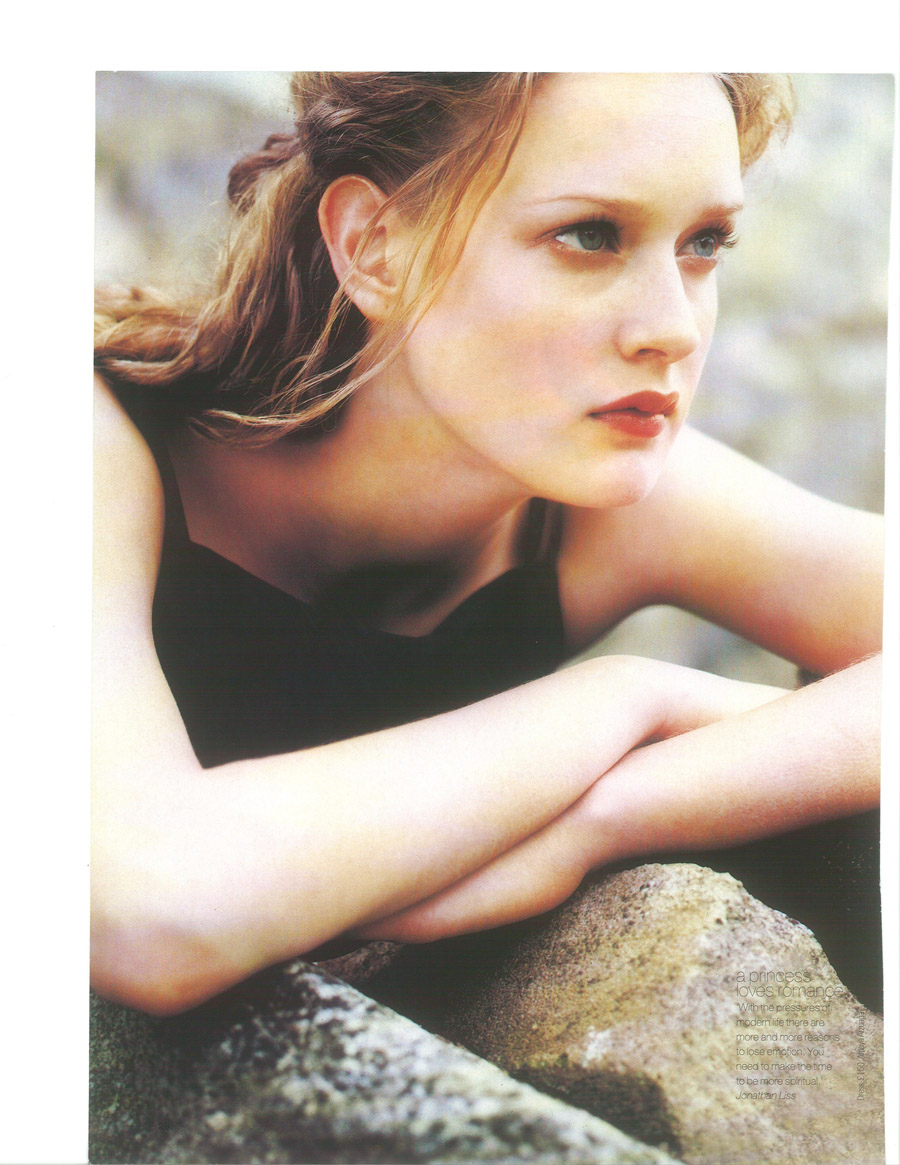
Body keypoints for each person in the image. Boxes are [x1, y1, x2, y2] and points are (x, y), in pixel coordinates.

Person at [92, 72, 883, 1018]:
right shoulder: (86, 441)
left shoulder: (609, 491)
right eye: (588, 235)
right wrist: (629, 699)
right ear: (374, 247)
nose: (672, 327)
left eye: (704, 243)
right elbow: (151, 913)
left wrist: (613, 812)